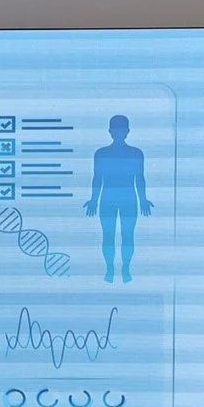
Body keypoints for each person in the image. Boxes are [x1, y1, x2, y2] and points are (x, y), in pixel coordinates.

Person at [83, 114, 152, 283]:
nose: (119, 133)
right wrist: (93, 200)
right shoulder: (102, 154)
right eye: (116, 130)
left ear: (127, 131)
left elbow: (139, 178)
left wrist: (143, 200)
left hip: (127, 199)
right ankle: (110, 269)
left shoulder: (136, 154)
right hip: (109, 199)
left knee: (127, 235)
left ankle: (125, 268)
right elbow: (97, 178)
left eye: (121, 130)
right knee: (109, 235)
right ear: (110, 132)